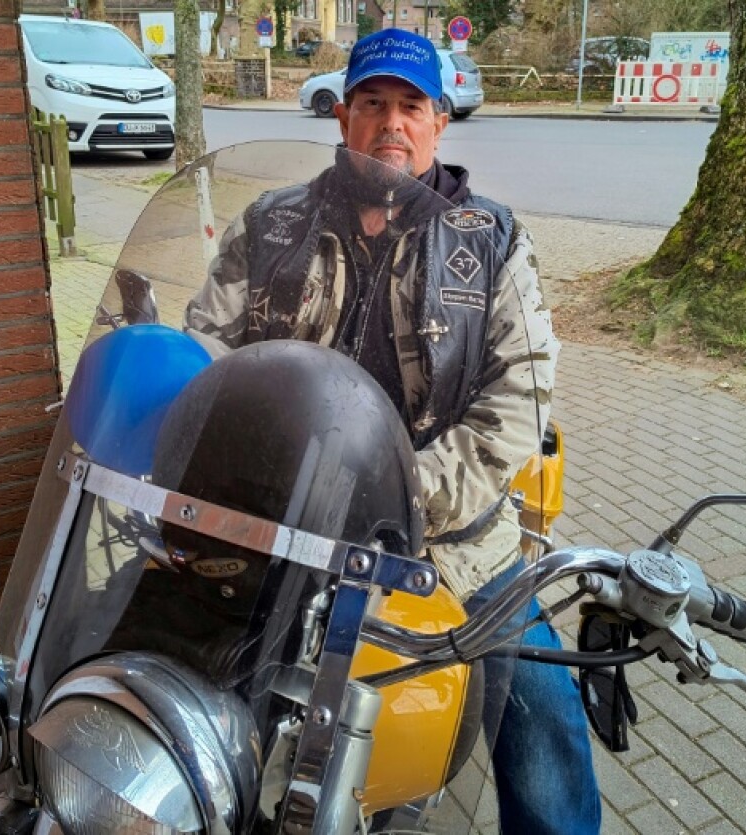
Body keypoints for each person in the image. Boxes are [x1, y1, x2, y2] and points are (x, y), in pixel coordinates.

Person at [182, 28, 601, 834]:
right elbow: (207, 349)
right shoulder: (271, 225)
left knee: (544, 717)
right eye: (372, 103)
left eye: (411, 106)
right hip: (283, 524)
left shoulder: (495, 240)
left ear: (440, 121)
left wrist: (406, 497)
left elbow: (522, 396)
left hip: (447, 543)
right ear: (342, 116)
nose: (391, 125)